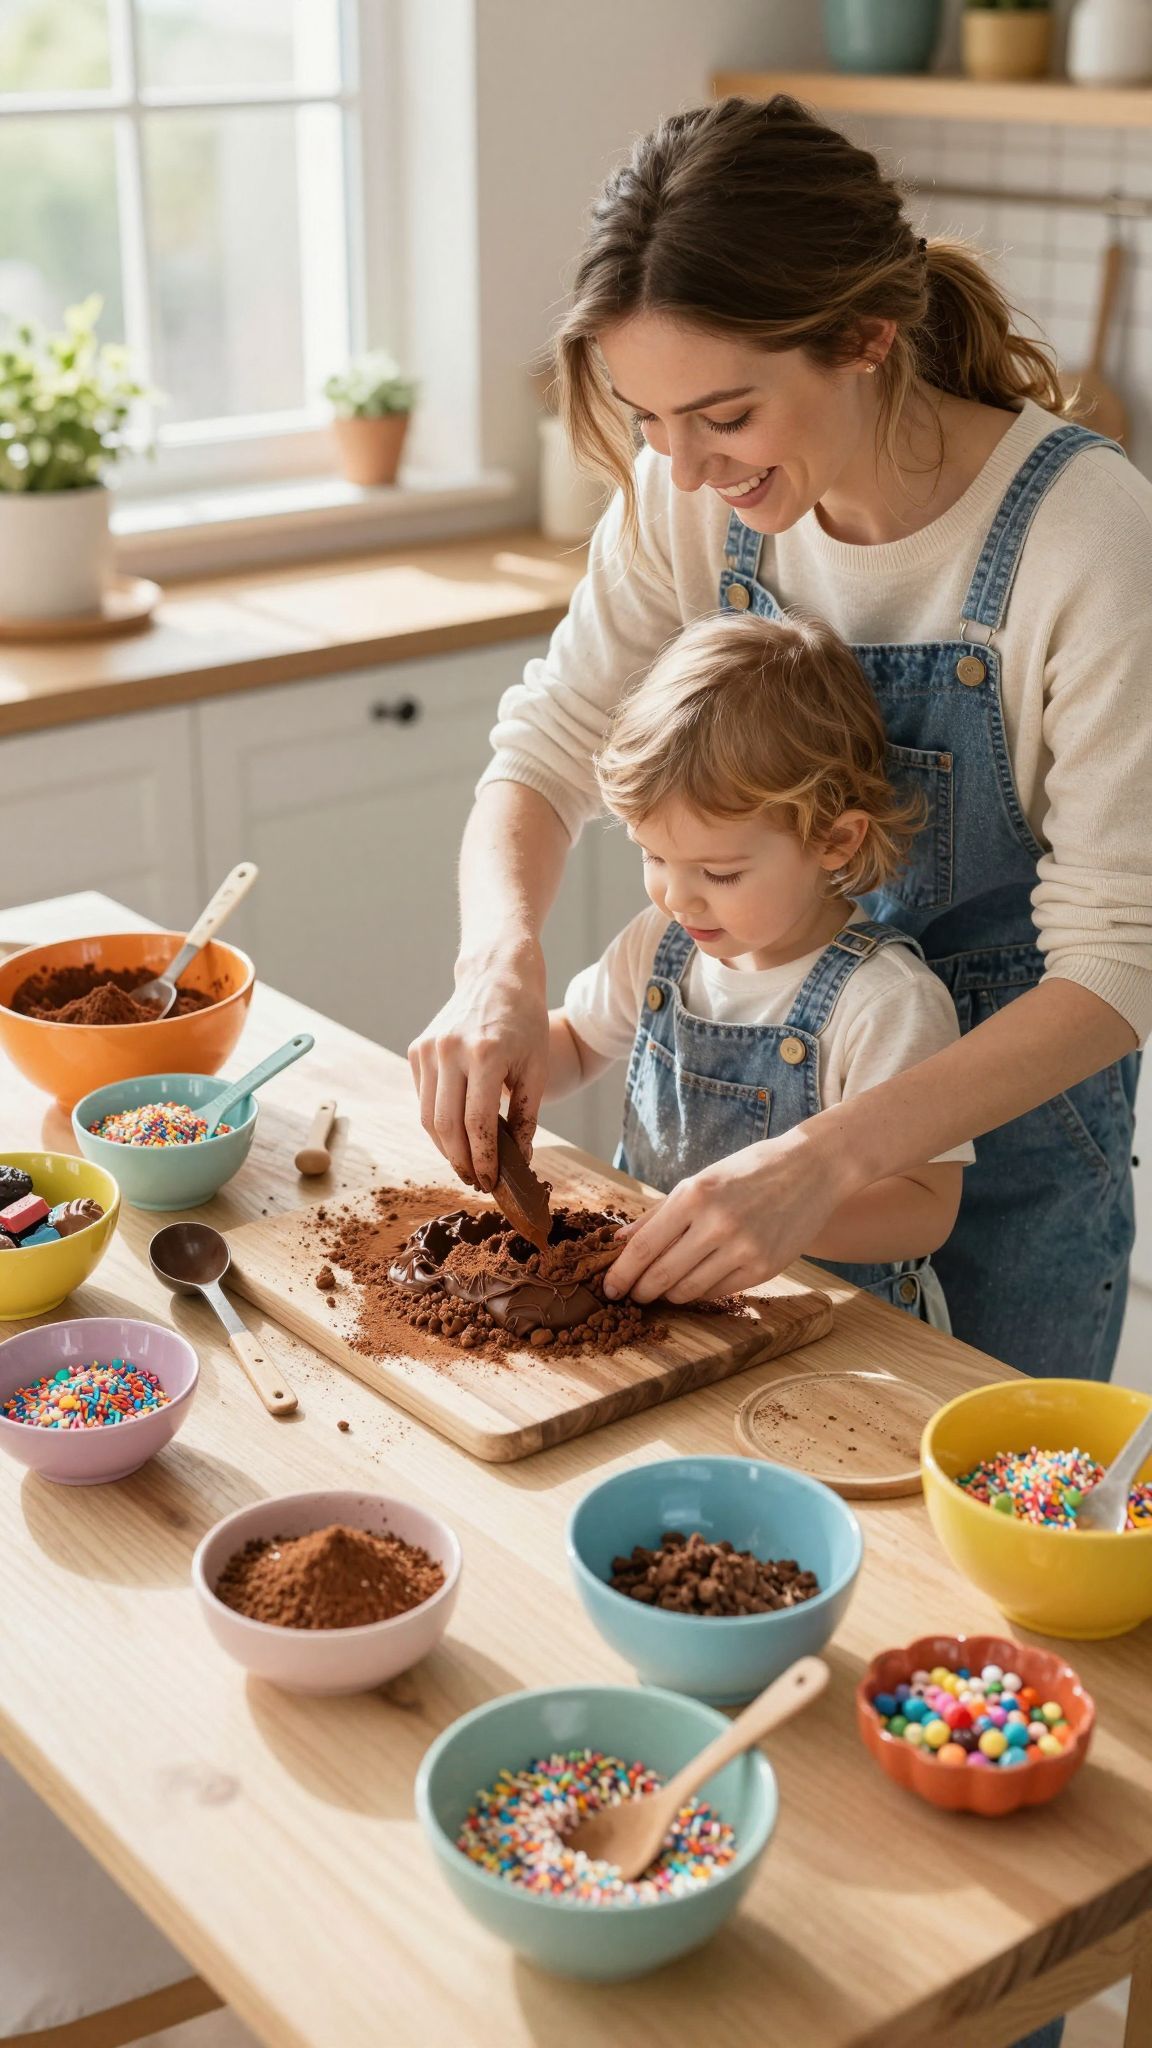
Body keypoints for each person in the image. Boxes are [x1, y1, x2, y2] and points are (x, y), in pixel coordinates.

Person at [410, 93, 1148, 1399]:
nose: (683, 470)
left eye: (725, 416)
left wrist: (829, 1160)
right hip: (738, 1208)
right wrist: (495, 965)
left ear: (864, 338)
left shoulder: (1088, 541)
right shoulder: (689, 503)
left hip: (1008, 1174)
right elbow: (548, 744)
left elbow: (1123, 957)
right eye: (648, 420)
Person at [544, 606, 973, 1321]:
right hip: (666, 1322)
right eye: (654, 856)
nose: (676, 896)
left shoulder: (884, 1002)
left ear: (834, 841)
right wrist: (506, 1061)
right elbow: (575, 1045)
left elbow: (927, 1207)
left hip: (837, 1341)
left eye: (720, 872)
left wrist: (776, 1215)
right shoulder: (660, 944)